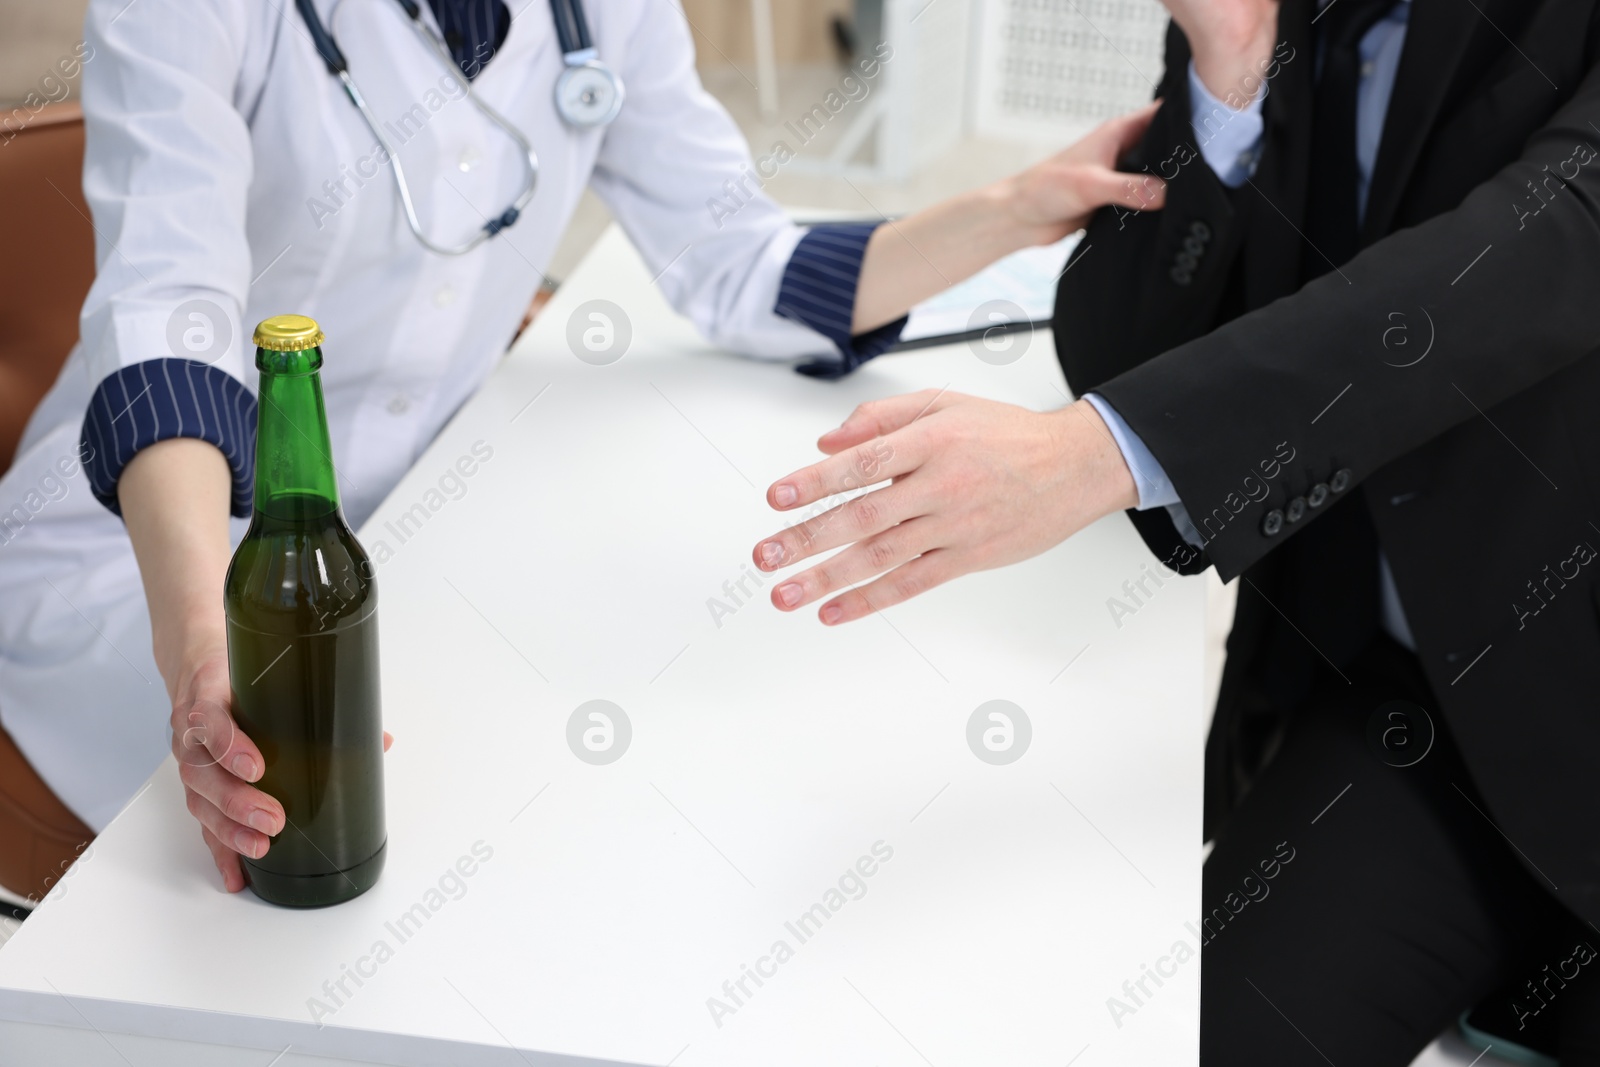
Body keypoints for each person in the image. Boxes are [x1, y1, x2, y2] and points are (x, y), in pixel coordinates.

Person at [0, 0, 1165, 900]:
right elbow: (172, 322)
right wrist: (215, 644)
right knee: (371, 851)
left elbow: (735, 260)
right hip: (150, 565)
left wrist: (1015, 203)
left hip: (412, 528)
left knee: (601, 785)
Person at [750, 0, 1600, 1061]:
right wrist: (1229, 78)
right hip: (1418, 712)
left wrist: (1094, 455)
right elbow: (1115, 348)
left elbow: (1541, 246)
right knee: (1190, 1032)